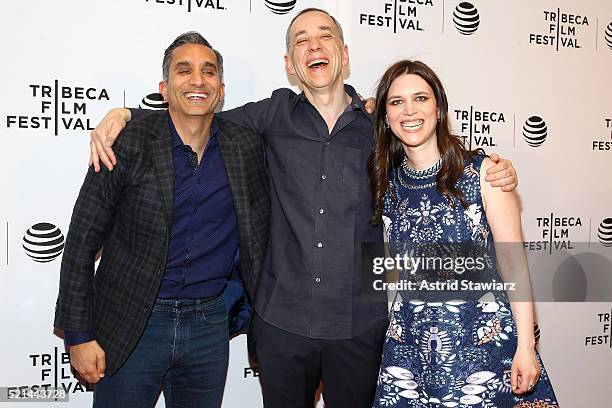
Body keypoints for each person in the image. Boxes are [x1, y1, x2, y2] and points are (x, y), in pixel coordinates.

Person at [86, 9, 518, 407]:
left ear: (343, 55)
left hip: (360, 325)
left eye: (324, 36)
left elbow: (431, 150)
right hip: (281, 324)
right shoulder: (270, 115)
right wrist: (127, 115)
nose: (314, 45)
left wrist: (489, 169)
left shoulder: (380, 127)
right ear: (291, 64)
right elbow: (194, 115)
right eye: (301, 40)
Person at [53, 32, 269, 407]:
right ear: (165, 88)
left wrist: (363, 105)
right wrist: (78, 334)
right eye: (183, 71)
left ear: (220, 88)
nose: (197, 80)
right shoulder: (127, 142)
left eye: (208, 72)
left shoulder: (245, 147)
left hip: (208, 329)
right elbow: (81, 241)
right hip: (133, 324)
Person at [367, 59, 558, 407]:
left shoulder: (483, 174)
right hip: (411, 354)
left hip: (484, 348)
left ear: (438, 109)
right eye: (396, 102)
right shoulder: (388, 183)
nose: (409, 110)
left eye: (420, 98)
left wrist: (527, 347)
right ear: (385, 116)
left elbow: (514, 266)